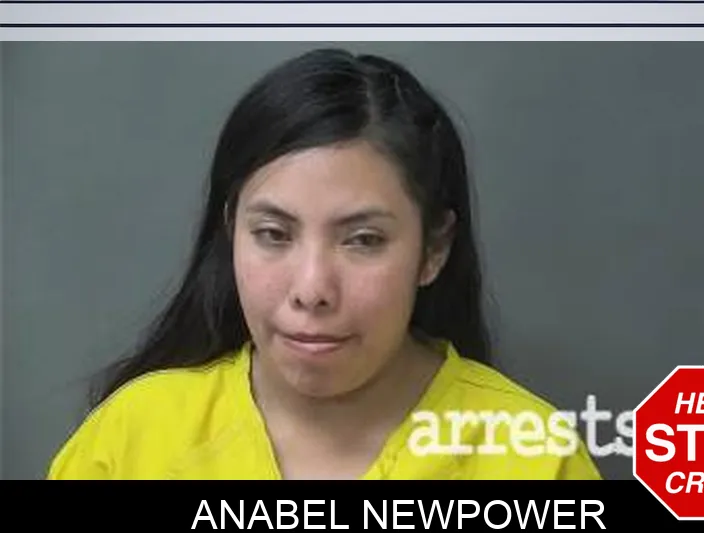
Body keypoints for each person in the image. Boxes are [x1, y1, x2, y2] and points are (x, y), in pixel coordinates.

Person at [47, 48, 602, 481]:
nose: (312, 289)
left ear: (433, 249)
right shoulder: (132, 439)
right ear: (231, 231)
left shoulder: (534, 460)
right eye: (273, 234)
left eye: (363, 240)